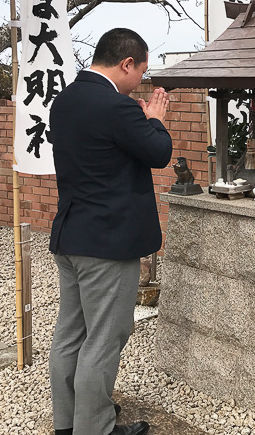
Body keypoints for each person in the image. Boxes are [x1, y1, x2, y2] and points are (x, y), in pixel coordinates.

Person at [48, 28, 173, 435]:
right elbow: (158, 153)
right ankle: (96, 429)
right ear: (126, 64)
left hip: (70, 236)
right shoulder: (117, 108)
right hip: (107, 244)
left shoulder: (64, 101)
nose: (143, 81)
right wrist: (153, 120)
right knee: (105, 338)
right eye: (142, 71)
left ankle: (69, 423)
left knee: (71, 333)